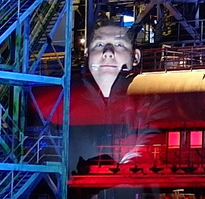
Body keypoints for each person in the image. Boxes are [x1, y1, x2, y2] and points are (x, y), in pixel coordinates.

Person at [36, 19, 162, 175]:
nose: (108, 52)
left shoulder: (150, 99)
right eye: (100, 45)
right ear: (87, 54)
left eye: (119, 45)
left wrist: (124, 170)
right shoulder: (59, 98)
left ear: (135, 57)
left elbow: (152, 140)